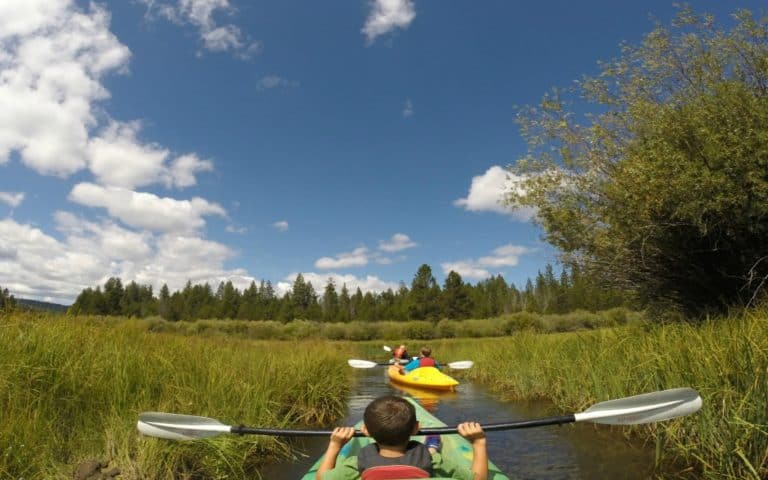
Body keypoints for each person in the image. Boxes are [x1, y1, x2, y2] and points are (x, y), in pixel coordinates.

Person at [316, 395, 488, 480]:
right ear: (416, 428)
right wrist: (478, 442)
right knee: (428, 452)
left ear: (366, 431)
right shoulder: (432, 460)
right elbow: (478, 478)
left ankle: (431, 446)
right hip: (427, 455)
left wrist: (335, 445)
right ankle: (432, 446)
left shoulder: (357, 463)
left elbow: (321, 478)